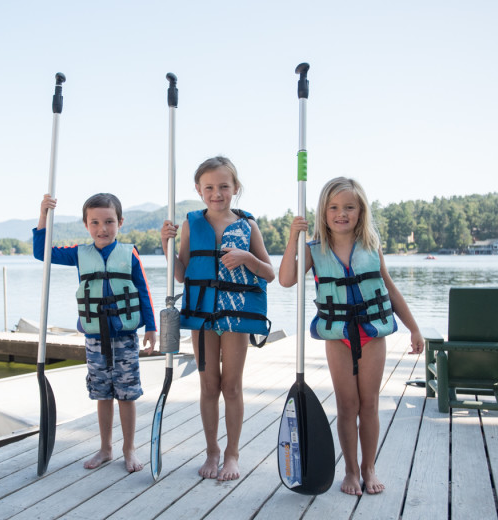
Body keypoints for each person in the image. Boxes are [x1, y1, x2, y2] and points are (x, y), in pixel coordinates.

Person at [278, 177, 424, 496]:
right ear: (323, 212)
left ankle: (369, 467)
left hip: (372, 333)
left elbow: (389, 288)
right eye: (333, 207)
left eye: (349, 207)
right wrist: (293, 238)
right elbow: (286, 279)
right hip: (337, 336)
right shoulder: (313, 250)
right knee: (347, 405)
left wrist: (413, 327)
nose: (341, 213)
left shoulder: (372, 247)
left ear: (361, 212)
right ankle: (351, 470)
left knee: (368, 403)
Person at [161, 156, 275, 481]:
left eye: (224, 186)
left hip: (235, 317)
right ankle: (212, 450)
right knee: (209, 386)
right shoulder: (190, 224)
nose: (217, 193)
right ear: (198, 189)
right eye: (209, 187)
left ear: (235, 188)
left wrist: (248, 257)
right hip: (202, 317)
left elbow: (269, 273)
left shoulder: (248, 225)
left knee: (232, 387)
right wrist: (166, 246)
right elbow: (182, 275)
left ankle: (232, 454)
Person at [34, 192, 157, 473]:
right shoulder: (79, 254)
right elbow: (41, 252)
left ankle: (129, 449)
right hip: (94, 337)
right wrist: (43, 214)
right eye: (95, 222)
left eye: (109, 222)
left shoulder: (130, 254)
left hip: (124, 336)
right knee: (102, 393)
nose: (103, 228)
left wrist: (151, 326)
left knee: (126, 394)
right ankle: (105, 448)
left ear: (120, 222)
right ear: (86, 225)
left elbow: (143, 292)